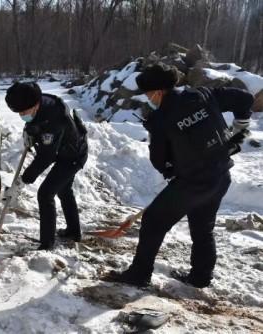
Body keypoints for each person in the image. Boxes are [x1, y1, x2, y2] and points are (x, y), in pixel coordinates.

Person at [104, 63, 254, 288]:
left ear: (158, 91)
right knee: (203, 227)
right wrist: (240, 124)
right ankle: (201, 277)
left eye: (147, 94)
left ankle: (139, 274)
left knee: (153, 221)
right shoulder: (202, 94)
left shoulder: (160, 119)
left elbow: (158, 159)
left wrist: (171, 170)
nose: (148, 98)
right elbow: (245, 99)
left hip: (192, 182)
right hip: (221, 175)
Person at [4, 82, 88, 250]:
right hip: (65, 152)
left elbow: (46, 156)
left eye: (24, 112)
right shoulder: (38, 103)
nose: (22, 115)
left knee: (45, 193)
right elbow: (36, 123)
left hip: (73, 156)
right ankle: (73, 231)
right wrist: (30, 132)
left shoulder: (55, 118)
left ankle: (47, 243)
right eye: (18, 112)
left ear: (35, 105)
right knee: (64, 191)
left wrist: (23, 181)